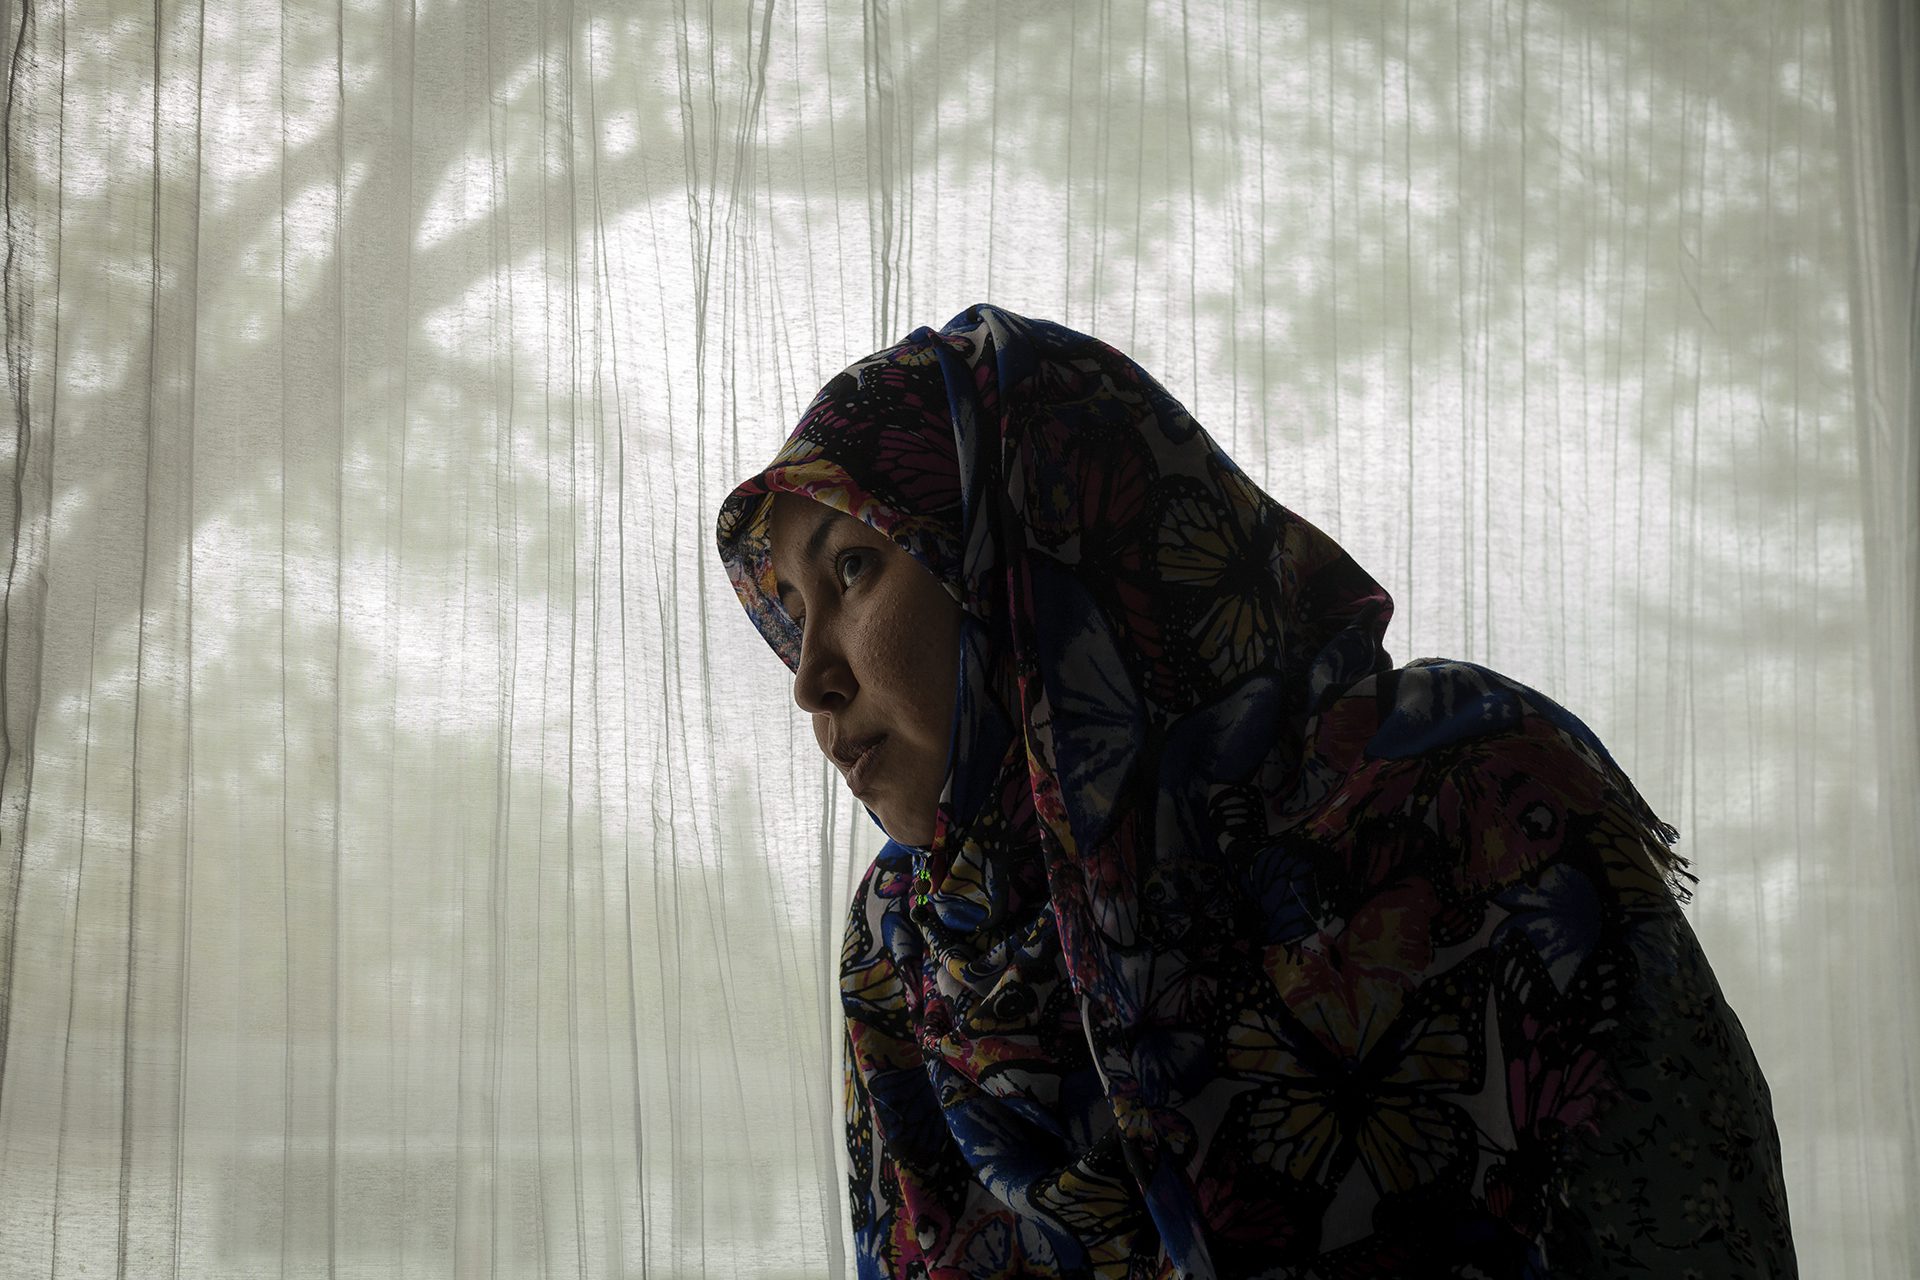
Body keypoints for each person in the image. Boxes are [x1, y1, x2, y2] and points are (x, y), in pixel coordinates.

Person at [715, 304, 1795, 1278]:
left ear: (1029, 551)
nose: (810, 676)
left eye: (854, 567)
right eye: (793, 606)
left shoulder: (1468, 800)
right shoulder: (908, 942)